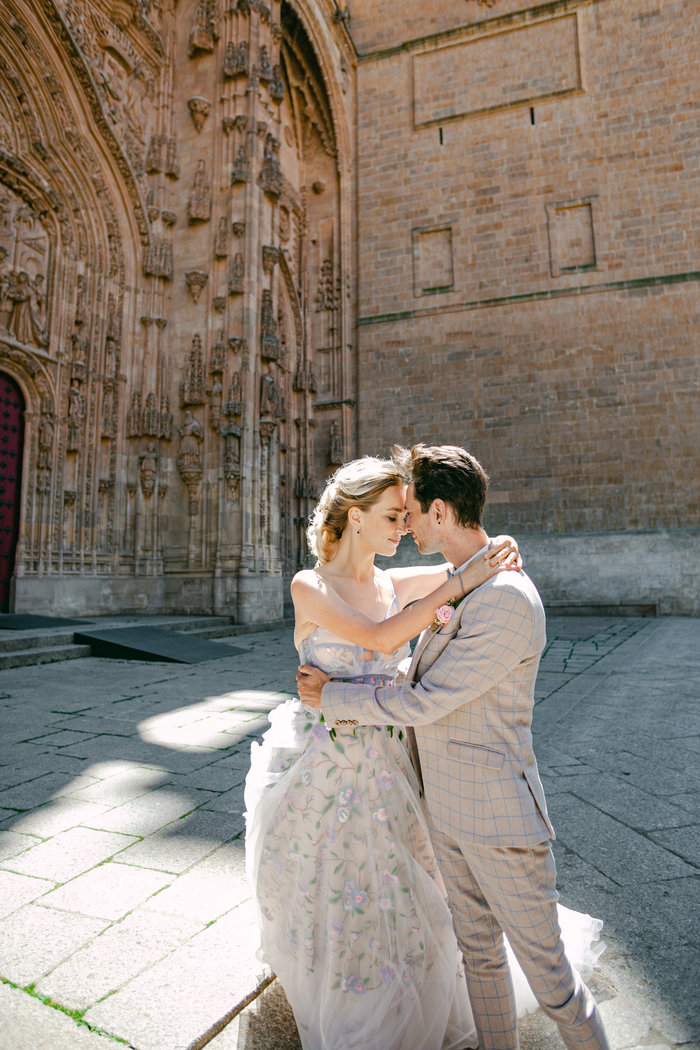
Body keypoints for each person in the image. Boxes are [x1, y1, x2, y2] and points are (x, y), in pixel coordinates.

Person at [246, 455, 603, 1050]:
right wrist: (463, 579)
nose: (403, 528)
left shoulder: (391, 583)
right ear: (354, 518)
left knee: (410, 900)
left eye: (408, 514)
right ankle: (353, 1001)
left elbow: (453, 569)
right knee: (342, 898)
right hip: (329, 772)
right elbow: (395, 628)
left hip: (397, 771)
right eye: (392, 516)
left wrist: (496, 548)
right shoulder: (308, 584)